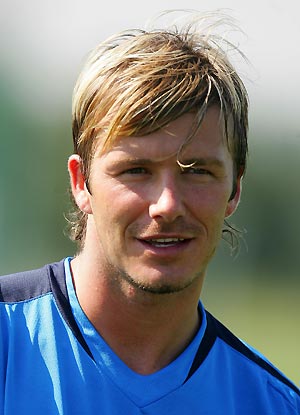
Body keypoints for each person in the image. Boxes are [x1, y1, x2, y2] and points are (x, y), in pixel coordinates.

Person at [0, 11, 299, 415]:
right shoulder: (8, 340)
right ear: (80, 182)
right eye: (136, 170)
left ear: (235, 188)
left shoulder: (272, 404)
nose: (168, 205)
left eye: (198, 172)